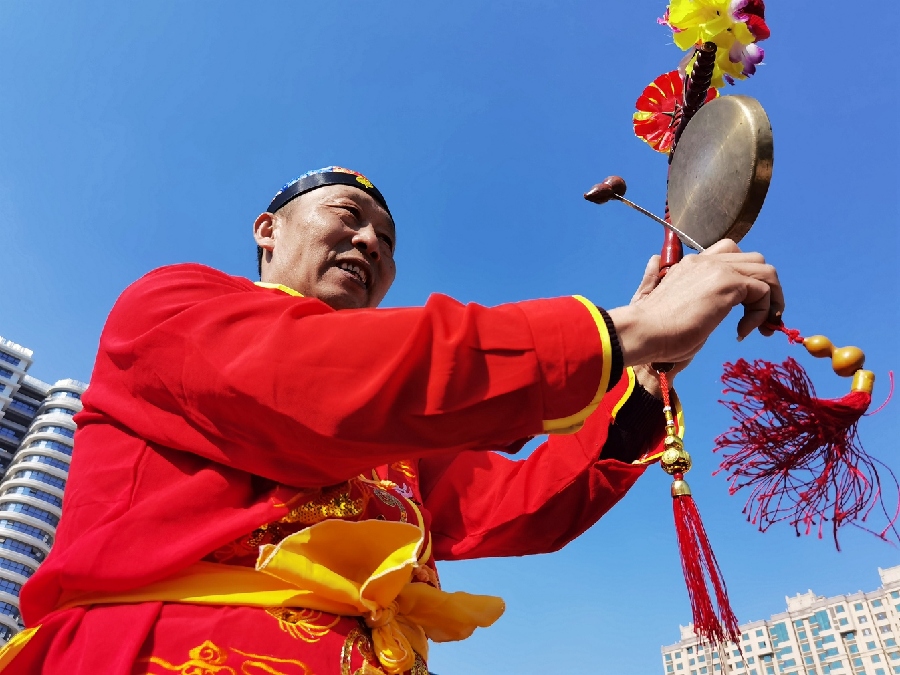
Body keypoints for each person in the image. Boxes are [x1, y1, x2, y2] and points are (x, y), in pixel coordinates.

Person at [1, 167, 783, 675]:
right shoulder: (170, 305)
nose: (370, 239)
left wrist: (640, 381)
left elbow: (520, 504)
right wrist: (619, 330)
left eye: (388, 239)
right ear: (266, 230)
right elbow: (319, 380)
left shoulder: (399, 433)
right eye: (348, 213)